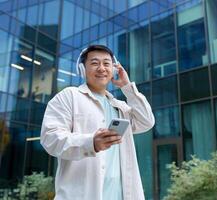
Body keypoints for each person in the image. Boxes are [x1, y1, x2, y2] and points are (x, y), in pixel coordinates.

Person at [40, 45, 155, 200]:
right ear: (82, 69)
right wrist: (91, 142)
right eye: (95, 63)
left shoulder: (119, 106)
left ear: (113, 69)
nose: (101, 68)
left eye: (107, 63)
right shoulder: (69, 97)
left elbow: (146, 121)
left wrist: (127, 87)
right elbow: (50, 138)